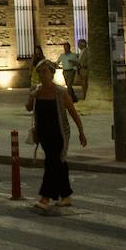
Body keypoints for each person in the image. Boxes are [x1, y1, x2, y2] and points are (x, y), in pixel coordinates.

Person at [25, 60, 87, 213]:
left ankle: (45, 197)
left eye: (45, 71)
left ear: (52, 73)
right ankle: (66, 195)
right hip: (43, 133)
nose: (42, 74)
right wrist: (32, 97)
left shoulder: (60, 92)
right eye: (40, 72)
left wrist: (81, 132)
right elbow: (28, 108)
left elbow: (73, 112)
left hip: (59, 132)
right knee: (59, 162)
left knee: (52, 162)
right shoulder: (37, 90)